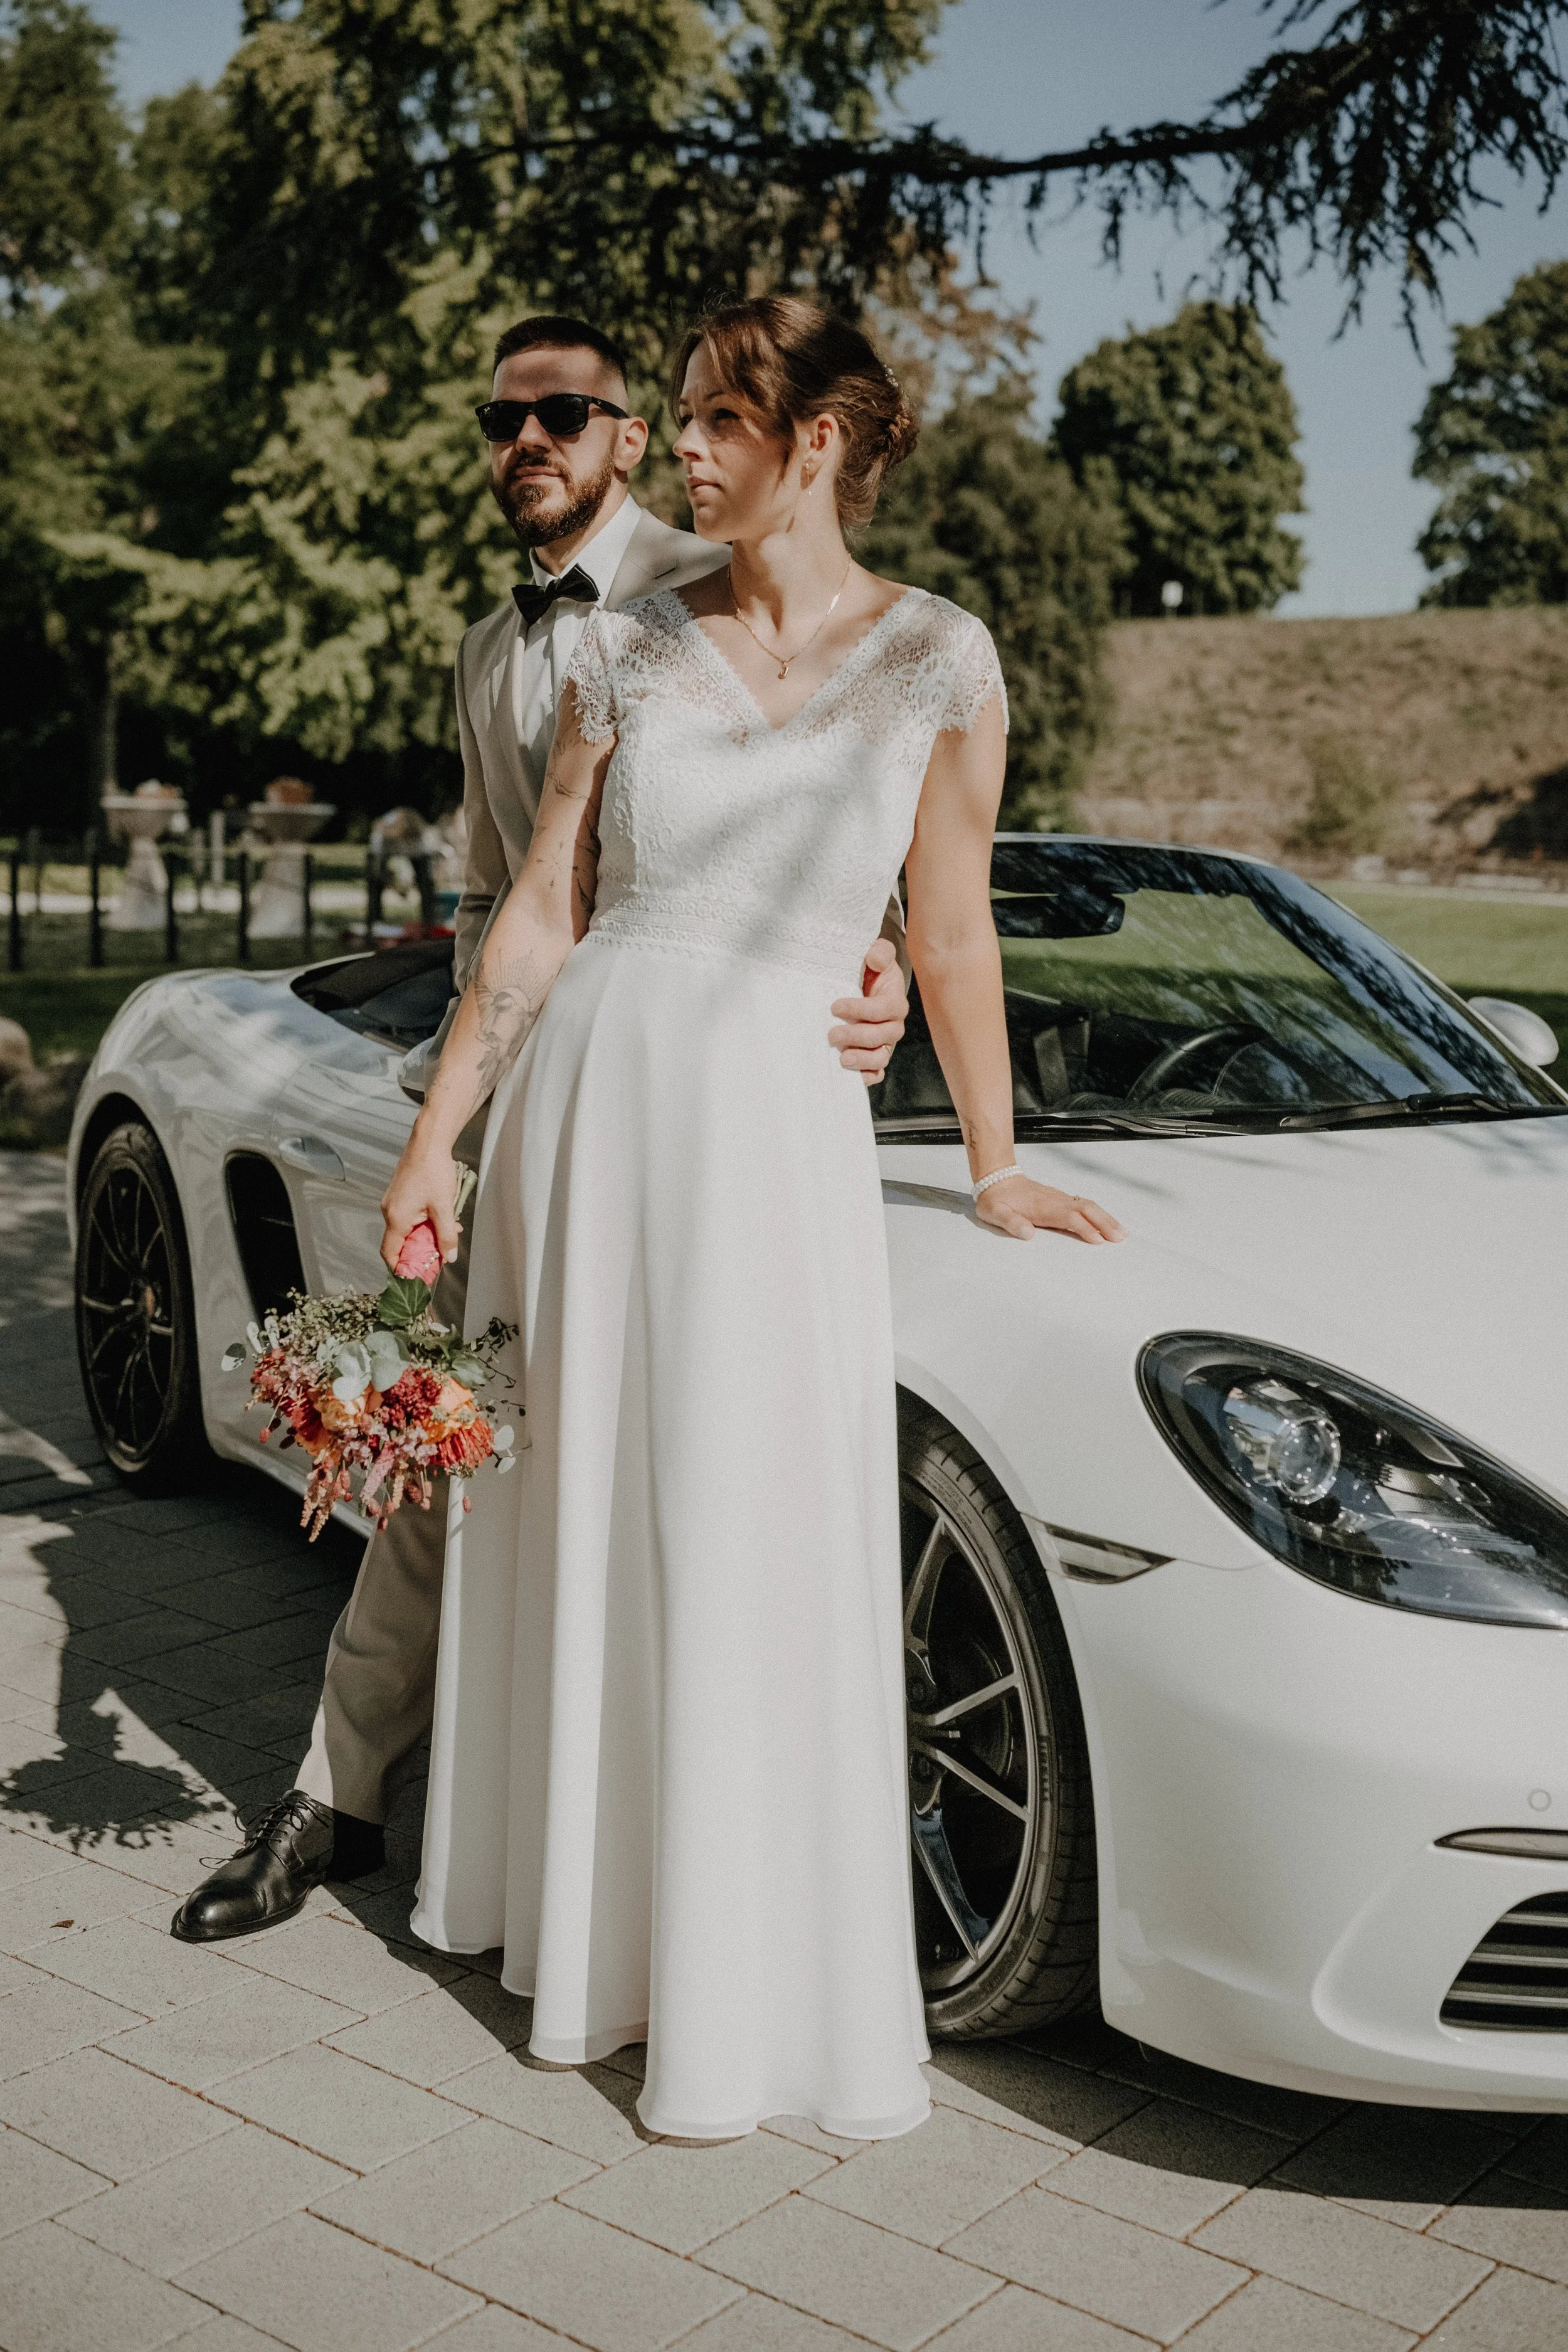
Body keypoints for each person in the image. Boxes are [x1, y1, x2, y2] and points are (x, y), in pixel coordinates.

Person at [381, 295, 1123, 2139]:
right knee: (589, 1514)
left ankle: (744, 1964)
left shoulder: (945, 659)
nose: (679, 449)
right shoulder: (625, 649)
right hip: (593, 1119)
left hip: (778, 1146)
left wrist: (991, 1157)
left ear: (817, 442)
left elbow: (949, 928)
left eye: (717, 418)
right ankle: (591, 1931)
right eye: (682, 418)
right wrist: (438, 1139)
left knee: (748, 1525)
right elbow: (543, 908)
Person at [170, 313, 910, 1943]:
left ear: (634, 434)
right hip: (551, 1100)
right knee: (448, 1436)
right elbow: (515, 900)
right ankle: (344, 1791)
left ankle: (655, 1863)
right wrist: (441, 1127)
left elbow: (871, 794)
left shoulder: (725, 570)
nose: (530, 441)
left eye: (566, 413)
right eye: (503, 418)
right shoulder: (488, 645)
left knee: (658, 1473)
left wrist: (893, 960)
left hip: (721, 1120)